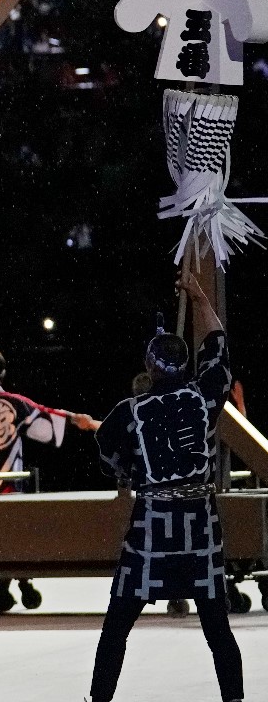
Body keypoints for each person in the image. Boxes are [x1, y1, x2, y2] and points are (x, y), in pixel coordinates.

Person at [88, 273, 243, 702]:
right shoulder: (204, 396)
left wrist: (126, 472)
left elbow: (107, 456)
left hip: (152, 525)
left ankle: (99, 698)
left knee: (116, 625)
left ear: (151, 366)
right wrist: (198, 296)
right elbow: (217, 345)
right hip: (199, 524)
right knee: (218, 629)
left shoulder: (128, 411)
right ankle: (234, 698)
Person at [0, 346, 97, 612]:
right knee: (9, 533)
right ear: (3, 373)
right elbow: (47, 420)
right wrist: (75, 419)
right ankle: (12, 581)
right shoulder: (17, 403)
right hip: (10, 488)